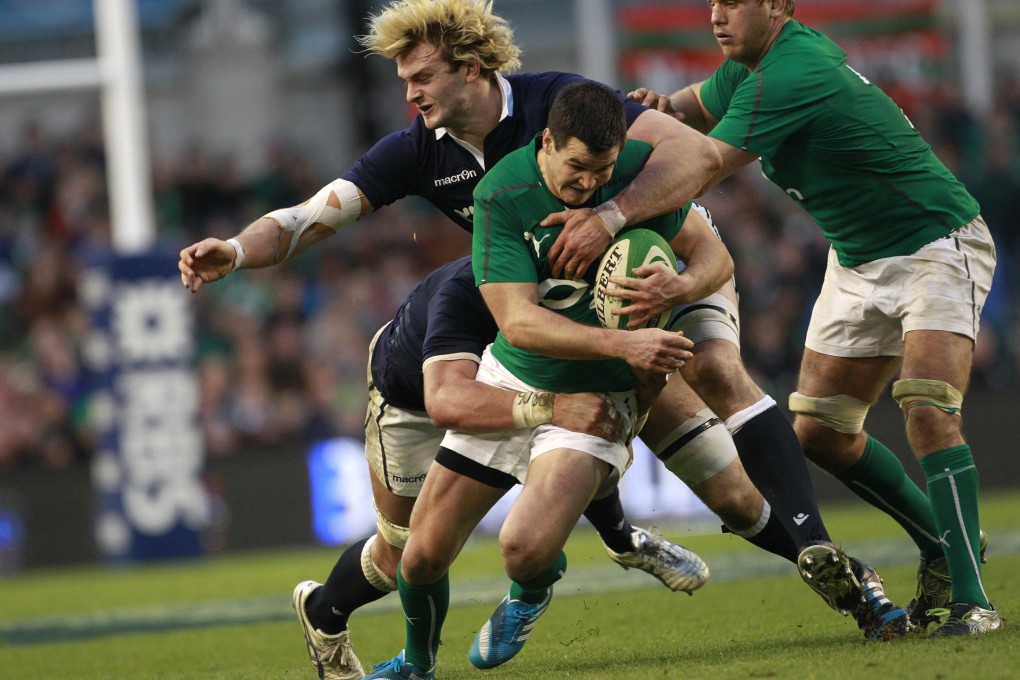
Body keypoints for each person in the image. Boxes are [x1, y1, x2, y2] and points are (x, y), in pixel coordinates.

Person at [179, 0, 900, 645]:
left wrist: (610, 216)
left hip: (659, 269)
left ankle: (841, 573)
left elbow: (693, 155)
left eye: (423, 76)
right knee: (409, 552)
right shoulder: (417, 151)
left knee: (721, 431)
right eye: (405, 79)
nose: (410, 93)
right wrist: (238, 250)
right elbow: (311, 216)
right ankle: (602, 536)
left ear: (469, 67)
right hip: (547, 328)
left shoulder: (561, 104)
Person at [629, 0, 1000, 637]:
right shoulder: (747, 66)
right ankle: (938, 542)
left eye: (735, 3)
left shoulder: (791, 70)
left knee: (930, 411)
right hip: (857, 261)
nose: (718, 16)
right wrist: (652, 111)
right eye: (712, 3)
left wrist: (607, 206)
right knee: (821, 432)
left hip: (935, 243)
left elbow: (707, 162)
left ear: (777, 8)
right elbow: (687, 108)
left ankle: (972, 601)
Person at [363, 80, 710, 680]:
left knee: (522, 549)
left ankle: (534, 588)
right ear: (546, 141)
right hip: (518, 379)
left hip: (601, 394)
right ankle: (416, 665)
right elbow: (518, 324)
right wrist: (623, 343)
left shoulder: (637, 176)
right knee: (418, 559)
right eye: (576, 168)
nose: (589, 185)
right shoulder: (501, 193)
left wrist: (683, 286)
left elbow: (715, 257)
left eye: (602, 169)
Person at [290, 255, 710, 680]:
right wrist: (556, 407)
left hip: (513, 380)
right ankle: (324, 614)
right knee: (403, 554)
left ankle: (619, 543)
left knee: (573, 448)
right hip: (414, 403)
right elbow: (447, 402)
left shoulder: (574, 274)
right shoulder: (467, 291)